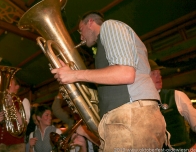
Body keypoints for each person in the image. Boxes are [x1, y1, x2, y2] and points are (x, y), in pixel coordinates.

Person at [51, 11, 167, 151]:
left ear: (91, 22)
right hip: (127, 119)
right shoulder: (103, 46)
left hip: (130, 117)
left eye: (81, 30)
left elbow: (125, 73)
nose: (81, 36)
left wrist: (74, 75)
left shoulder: (109, 26)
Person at [149, 59, 196, 149]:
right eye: (154, 73)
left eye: (159, 73)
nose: (159, 76)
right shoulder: (138, 104)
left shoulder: (176, 96)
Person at [0, 77, 30, 152]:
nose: (5, 86)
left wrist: (12, 105)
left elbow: (23, 124)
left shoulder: (24, 101)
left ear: (17, 87)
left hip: (16, 146)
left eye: (9, 83)